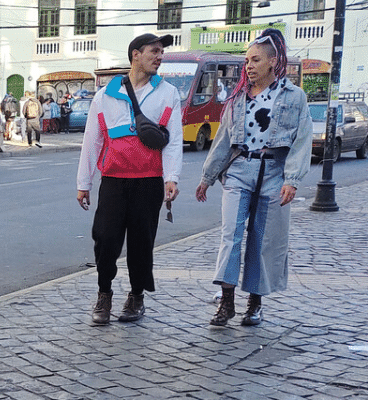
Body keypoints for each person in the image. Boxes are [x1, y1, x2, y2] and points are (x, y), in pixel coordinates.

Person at [195, 28, 311, 327]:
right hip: (239, 170)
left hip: (273, 172)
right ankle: (227, 301)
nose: (248, 66)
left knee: (263, 241)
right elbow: (223, 139)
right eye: (246, 60)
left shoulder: (294, 97)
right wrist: (207, 177)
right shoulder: (237, 98)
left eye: (255, 60)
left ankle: (255, 304)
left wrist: (292, 178)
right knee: (230, 236)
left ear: (273, 62)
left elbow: (302, 140)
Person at [76, 33, 183, 325]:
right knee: (105, 239)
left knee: (141, 243)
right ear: (135, 54)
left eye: (161, 52)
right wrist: (83, 183)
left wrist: (171, 177)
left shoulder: (168, 93)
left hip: (149, 180)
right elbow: (92, 141)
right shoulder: (106, 94)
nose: (159, 57)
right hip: (113, 179)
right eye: (154, 51)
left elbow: (173, 141)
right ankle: (104, 294)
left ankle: (136, 297)